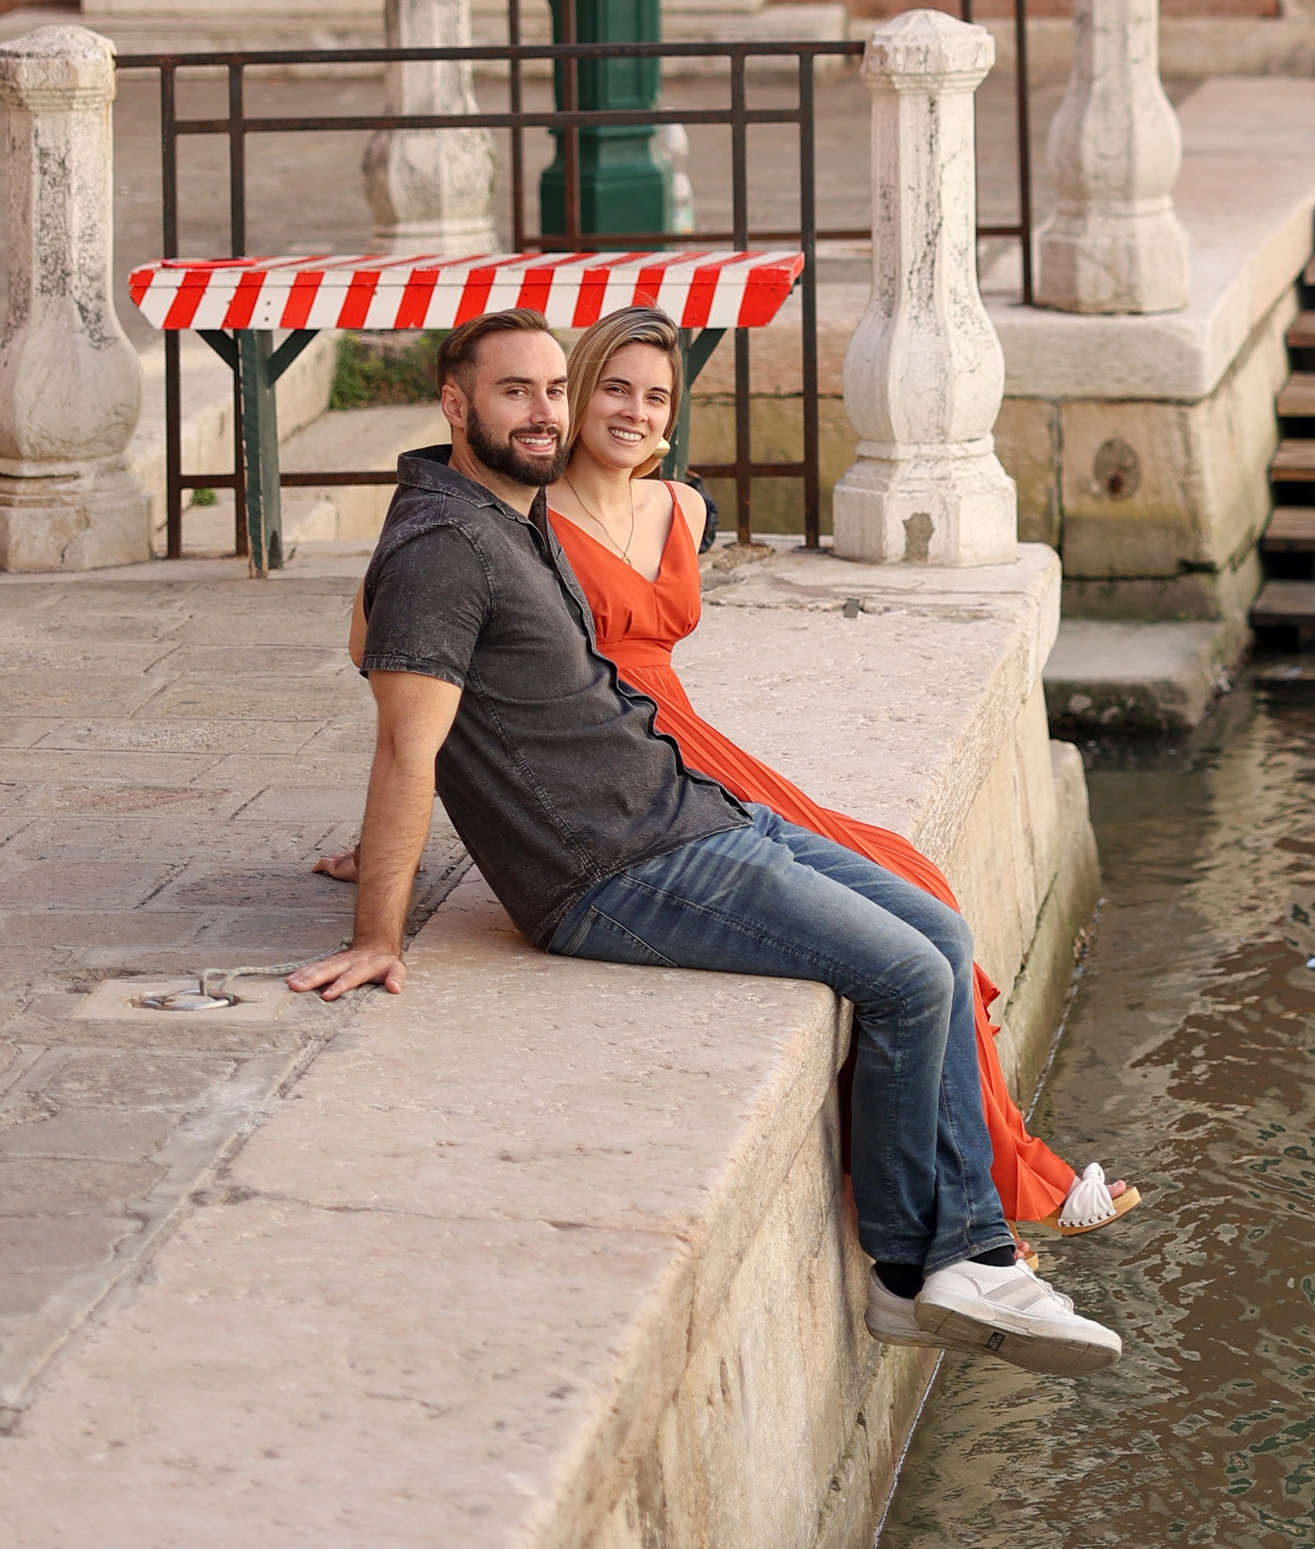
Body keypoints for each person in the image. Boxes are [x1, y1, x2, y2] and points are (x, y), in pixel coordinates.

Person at [289, 310, 1121, 1380]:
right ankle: (941, 1263)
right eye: (515, 393)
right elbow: (410, 745)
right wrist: (379, 928)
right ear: (455, 405)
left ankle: (951, 1263)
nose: (545, 413)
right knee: (910, 977)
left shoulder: (510, 509)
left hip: (686, 807)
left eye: (554, 389)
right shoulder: (441, 545)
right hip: (613, 869)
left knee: (939, 927)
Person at [543, 311, 1136, 1239]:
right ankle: (1006, 1192)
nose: (634, 409)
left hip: (695, 735)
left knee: (915, 878)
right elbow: (414, 661)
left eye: (655, 395)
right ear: (579, 390)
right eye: (615, 387)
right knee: (893, 915)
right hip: (624, 754)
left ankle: (1001, 1166)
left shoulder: (683, 510)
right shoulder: (530, 518)